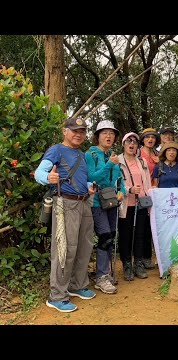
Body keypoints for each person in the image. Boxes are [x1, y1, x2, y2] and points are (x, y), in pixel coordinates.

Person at [34, 116, 96, 313]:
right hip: (65, 204)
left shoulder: (81, 155)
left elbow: (80, 179)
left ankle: (77, 285)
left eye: (82, 131)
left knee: (84, 246)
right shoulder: (57, 150)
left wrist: (89, 186)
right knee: (65, 249)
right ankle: (57, 296)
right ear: (65, 131)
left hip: (84, 203)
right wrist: (48, 177)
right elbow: (39, 173)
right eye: (74, 130)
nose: (78, 134)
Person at [85, 120, 126, 294]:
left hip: (112, 202)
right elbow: (91, 176)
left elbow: (119, 179)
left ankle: (106, 273)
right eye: (104, 133)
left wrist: (122, 191)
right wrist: (110, 164)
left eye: (111, 133)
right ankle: (101, 277)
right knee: (104, 237)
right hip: (96, 203)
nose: (108, 136)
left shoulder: (113, 156)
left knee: (111, 237)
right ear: (97, 136)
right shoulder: (90, 155)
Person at [118, 132, 153, 281]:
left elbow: (147, 182)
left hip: (141, 204)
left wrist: (149, 198)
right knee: (125, 234)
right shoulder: (117, 162)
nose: (131, 144)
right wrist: (128, 189)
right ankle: (127, 264)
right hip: (125, 204)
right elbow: (115, 182)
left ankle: (138, 263)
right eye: (128, 141)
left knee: (140, 234)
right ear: (123, 144)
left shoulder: (142, 162)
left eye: (134, 142)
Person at [139, 127, 160, 270]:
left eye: (153, 137)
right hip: (141, 192)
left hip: (156, 193)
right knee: (143, 226)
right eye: (147, 137)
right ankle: (141, 258)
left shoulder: (159, 154)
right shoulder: (137, 153)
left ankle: (149, 257)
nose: (150, 139)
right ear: (143, 139)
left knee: (153, 227)